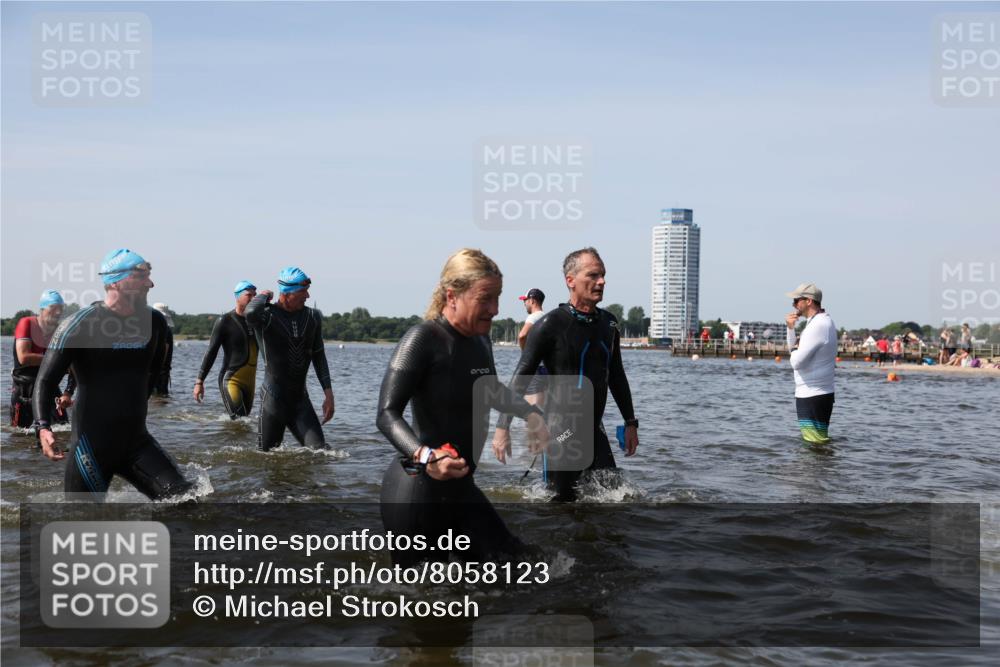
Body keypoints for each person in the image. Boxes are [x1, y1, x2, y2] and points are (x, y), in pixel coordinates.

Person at [376, 249, 550, 567]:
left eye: (497, 298)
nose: (495, 309)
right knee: (424, 602)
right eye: (486, 299)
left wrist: (532, 414)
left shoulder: (481, 341)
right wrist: (427, 456)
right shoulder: (422, 340)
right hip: (418, 490)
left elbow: (491, 390)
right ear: (452, 295)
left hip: (460, 487)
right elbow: (387, 414)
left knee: (521, 566)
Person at [33, 249, 191, 499]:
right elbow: (45, 380)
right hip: (90, 449)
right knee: (81, 525)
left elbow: (153, 374)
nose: (150, 284)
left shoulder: (155, 322)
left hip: (137, 443)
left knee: (186, 502)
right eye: (142, 277)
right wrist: (43, 428)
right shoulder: (79, 324)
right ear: (117, 281)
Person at [493, 247, 639, 502]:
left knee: (618, 501)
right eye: (593, 275)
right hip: (561, 432)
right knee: (559, 507)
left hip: (595, 430)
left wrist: (630, 423)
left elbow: (616, 375)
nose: (602, 281)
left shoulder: (609, 324)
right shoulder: (550, 325)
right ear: (570, 280)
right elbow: (521, 377)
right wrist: (502, 428)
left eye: (603, 275)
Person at [245, 267, 334, 451]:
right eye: (302, 291)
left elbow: (318, 355)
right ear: (287, 293)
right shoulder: (267, 316)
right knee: (267, 459)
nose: (307, 296)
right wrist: (263, 295)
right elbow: (250, 313)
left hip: (300, 401)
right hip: (273, 400)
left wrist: (328, 393)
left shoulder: (312, 317)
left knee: (320, 453)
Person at [194, 281, 259, 418]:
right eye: (249, 295)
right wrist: (199, 382)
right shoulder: (225, 321)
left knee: (244, 422)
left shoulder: (256, 321)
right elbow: (211, 352)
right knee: (239, 420)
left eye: (255, 295)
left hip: (250, 382)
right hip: (231, 380)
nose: (253, 298)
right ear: (237, 297)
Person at [10, 290, 75, 428]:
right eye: (53, 308)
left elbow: (75, 363)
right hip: (24, 389)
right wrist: (58, 361)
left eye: (60, 309)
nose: (58, 312)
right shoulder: (26, 323)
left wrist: (68, 392)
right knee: (19, 436)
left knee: (64, 429)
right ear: (42, 309)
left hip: (50, 387)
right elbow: (24, 357)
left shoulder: (60, 331)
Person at [785, 282, 837, 445]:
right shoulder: (818, 322)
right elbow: (794, 352)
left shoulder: (818, 325)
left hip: (813, 394)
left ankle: (817, 470)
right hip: (816, 393)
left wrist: (794, 349)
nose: (793, 304)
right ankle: (822, 470)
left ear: (808, 301)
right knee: (817, 444)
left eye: (796, 300)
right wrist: (790, 329)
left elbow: (796, 362)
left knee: (814, 445)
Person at [517, 288, 548, 407]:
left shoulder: (534, 317)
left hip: (536, 369)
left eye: (525, 300)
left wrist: (526, 355)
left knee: (531, 410)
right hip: (546, 369)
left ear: (532, 301)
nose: (524, 303)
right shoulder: (547, 316)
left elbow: (522, 335)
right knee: (542, 409)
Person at [151, 303, 174, 396]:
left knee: (159, 397)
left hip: (160, 372)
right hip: (160, 372)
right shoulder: (162, 329)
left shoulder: (165, 330)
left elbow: (164, 351)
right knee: (159, 398)